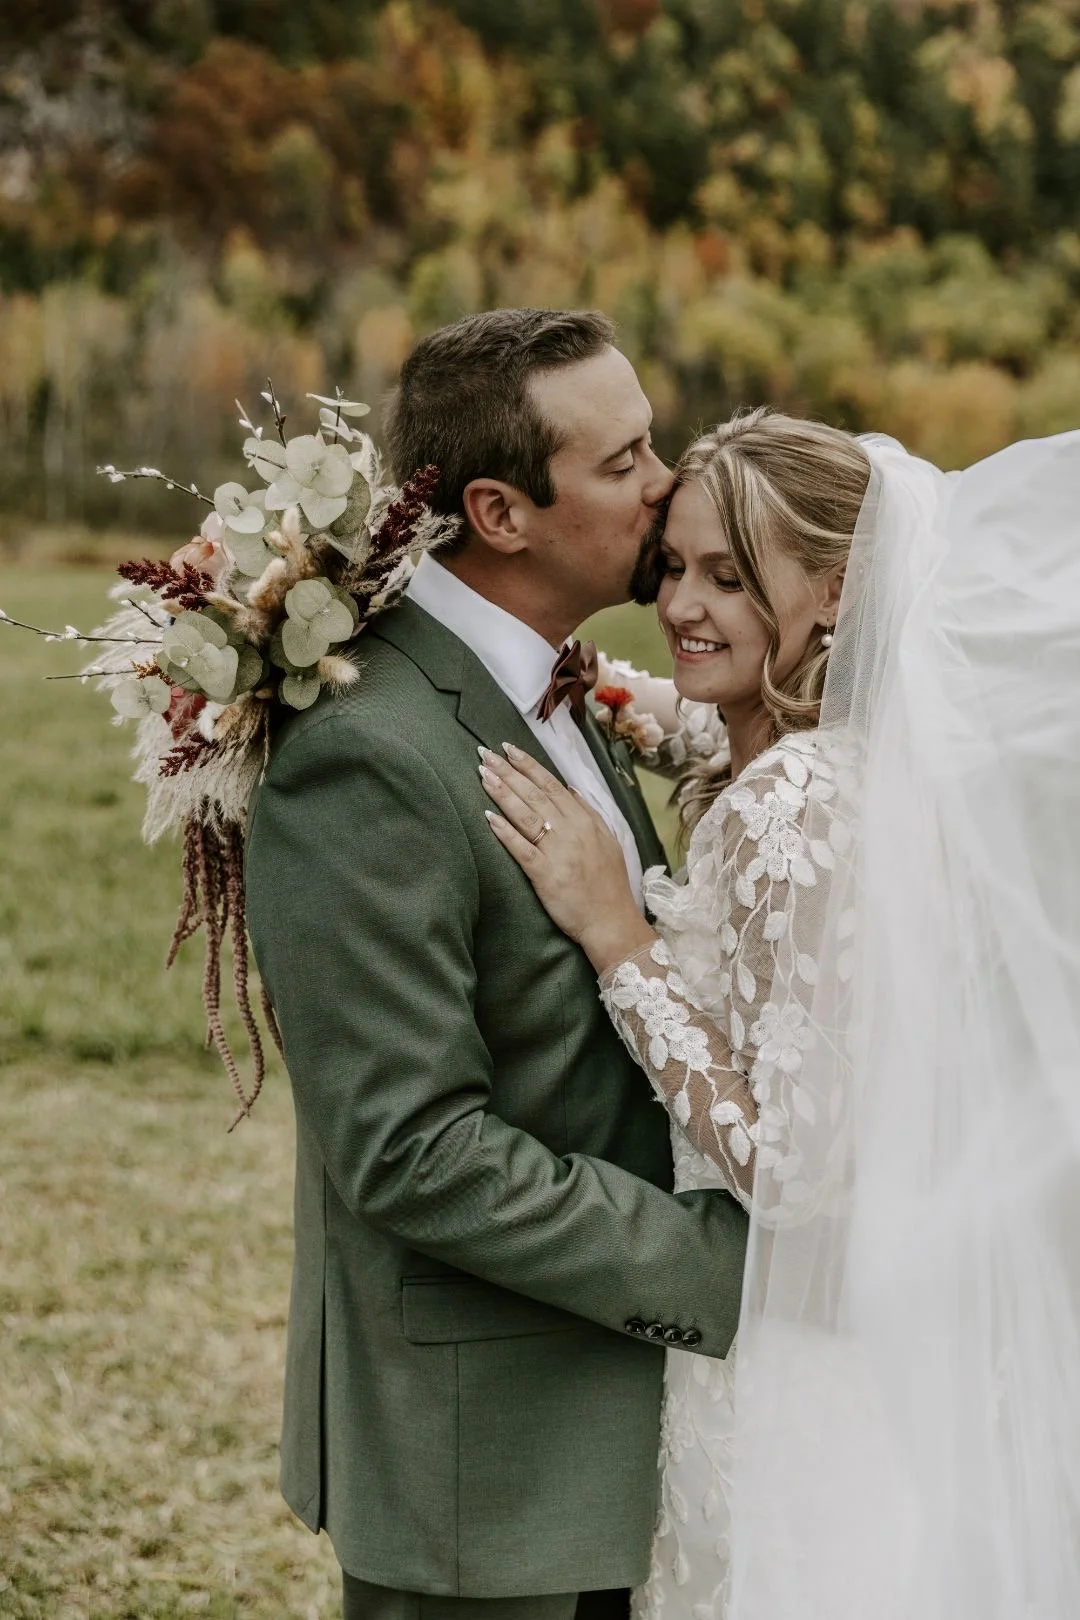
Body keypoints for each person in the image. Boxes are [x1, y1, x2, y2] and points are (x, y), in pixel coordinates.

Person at [482, 409, 1080, 1620]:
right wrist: (591, 681)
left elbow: (799, 1171)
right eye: (675, 569)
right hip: (877, 1349)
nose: (685, 608)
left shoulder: (791, 802)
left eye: (730, 579)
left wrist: (623, 944)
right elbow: (702, 719)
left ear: (832, 596)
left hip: (787, 1361)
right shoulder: (854, 749)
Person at [243, 308, 749, 1620]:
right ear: (501, 511)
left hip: (620, 1417)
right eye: (627, 459)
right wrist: (720, 1265)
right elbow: (410, 1148)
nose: (668, 482)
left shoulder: (553, 684)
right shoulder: (375, 755)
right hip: (488, 1461)